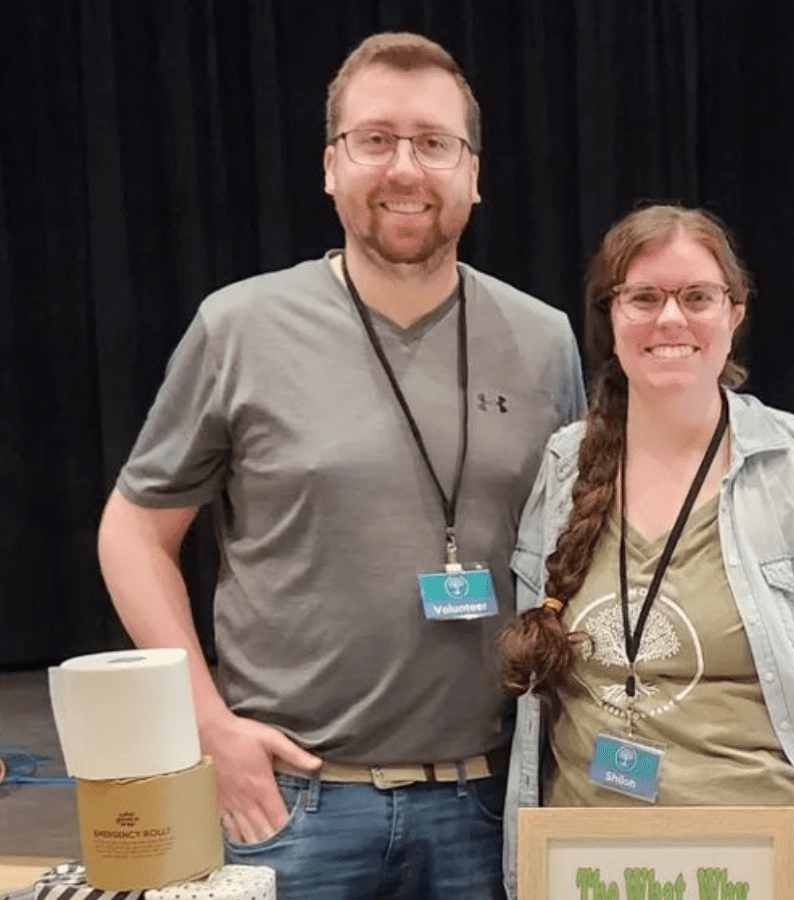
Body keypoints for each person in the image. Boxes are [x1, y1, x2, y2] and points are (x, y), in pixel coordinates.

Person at [97, 32, 583, 900]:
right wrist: (209, 727)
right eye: (375, 139)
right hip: (291, 808)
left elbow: (580, 551)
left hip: (490, 805)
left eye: (435, 143)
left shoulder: (544, 341)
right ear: (330, 166)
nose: (406, 168)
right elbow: (134, 528)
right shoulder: (239, 327)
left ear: (473, 172)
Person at [500, 204, 794, 900]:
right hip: (592, 872)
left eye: (697, 297)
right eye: (643, 297)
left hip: (770, 873)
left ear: (734, 313)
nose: (671, 319)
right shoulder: (563, 468)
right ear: (610, 317)